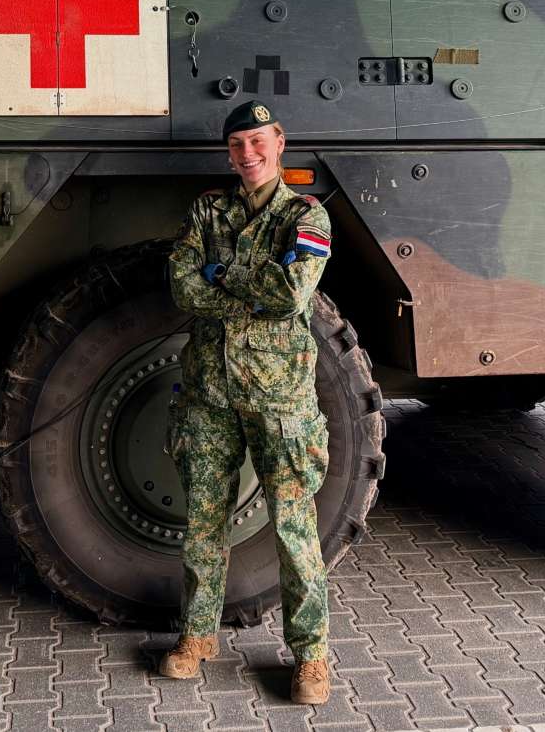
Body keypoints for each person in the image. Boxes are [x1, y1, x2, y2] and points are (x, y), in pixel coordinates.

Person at [160, 100, 335, 704]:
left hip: (278, 397)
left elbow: (291, 294)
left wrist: (221, 272)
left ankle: (311, 656)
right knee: (202, 523)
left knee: (293, 526)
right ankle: (197, 636)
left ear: (279, 143)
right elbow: (182, 286)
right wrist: (247, 284)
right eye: (237, 144)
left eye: (258, 141)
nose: (248, 153)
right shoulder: (208, 210)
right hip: (209, 392)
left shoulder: (306, 215)